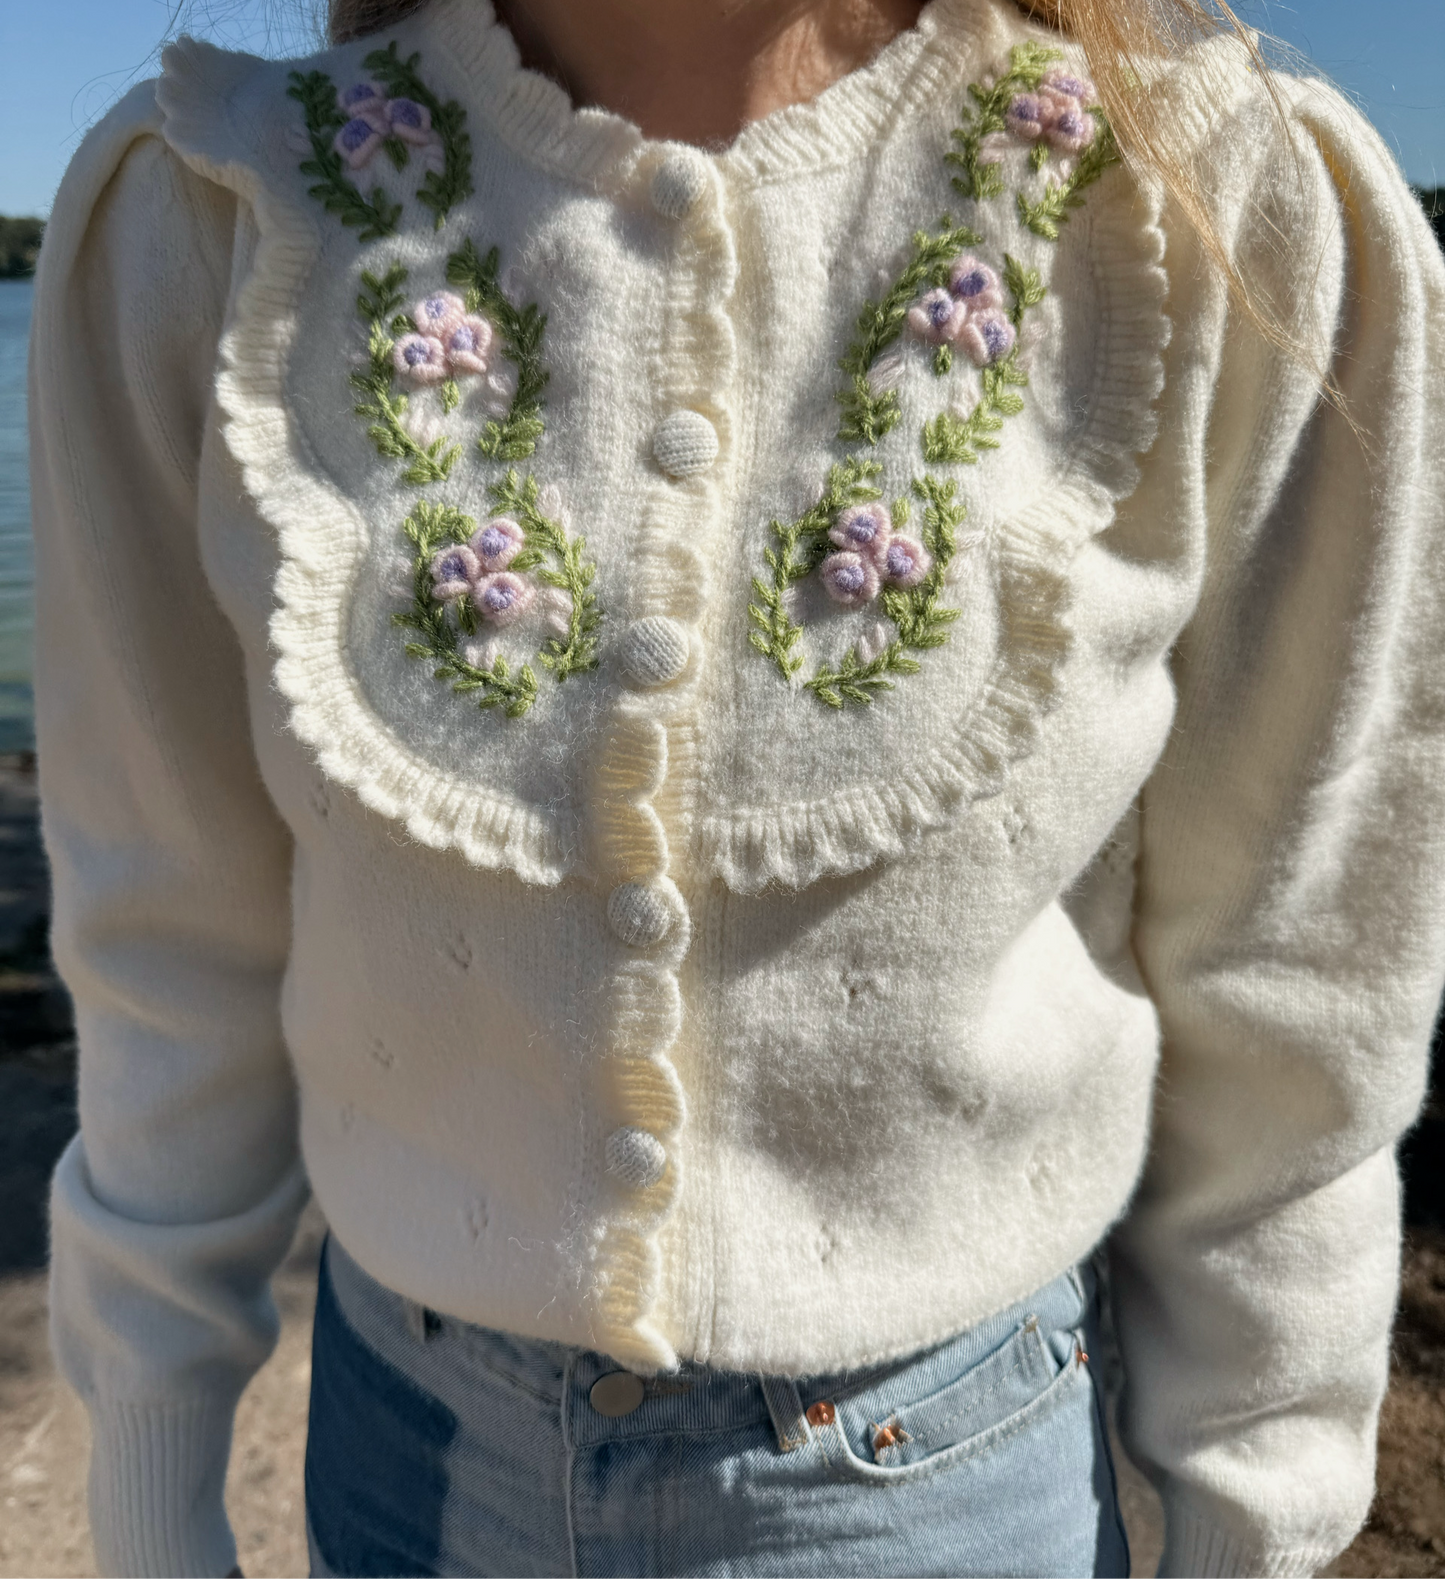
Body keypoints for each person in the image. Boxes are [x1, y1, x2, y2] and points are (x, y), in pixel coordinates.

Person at [28, 0, 1445, 1572]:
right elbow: (168, 939)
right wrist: (152, 1486)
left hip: (948, 1504)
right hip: (406, 1486)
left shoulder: (1212, 208)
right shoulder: (215, 214)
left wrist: (1256, 1520)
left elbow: (1300, 974)